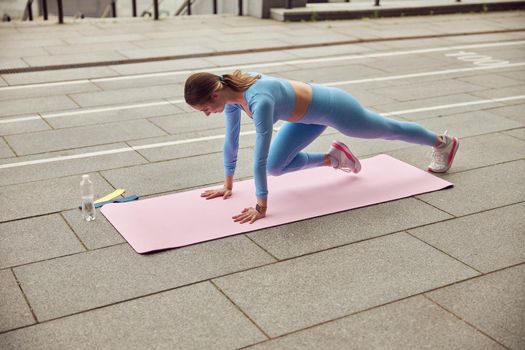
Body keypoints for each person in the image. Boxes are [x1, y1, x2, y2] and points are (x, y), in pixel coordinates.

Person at [184, 70, 459, 224]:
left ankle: (442, 142)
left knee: (388, 130)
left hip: (333, 107)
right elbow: (231, 141)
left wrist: (260, 206)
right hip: (305, 119)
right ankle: (335, 157)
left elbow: (258, 154)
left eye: (205, 108)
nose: (208, 113)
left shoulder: (259, 100)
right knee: (276, 167)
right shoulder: (231, 99)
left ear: (215, 94)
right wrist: (228, 184)